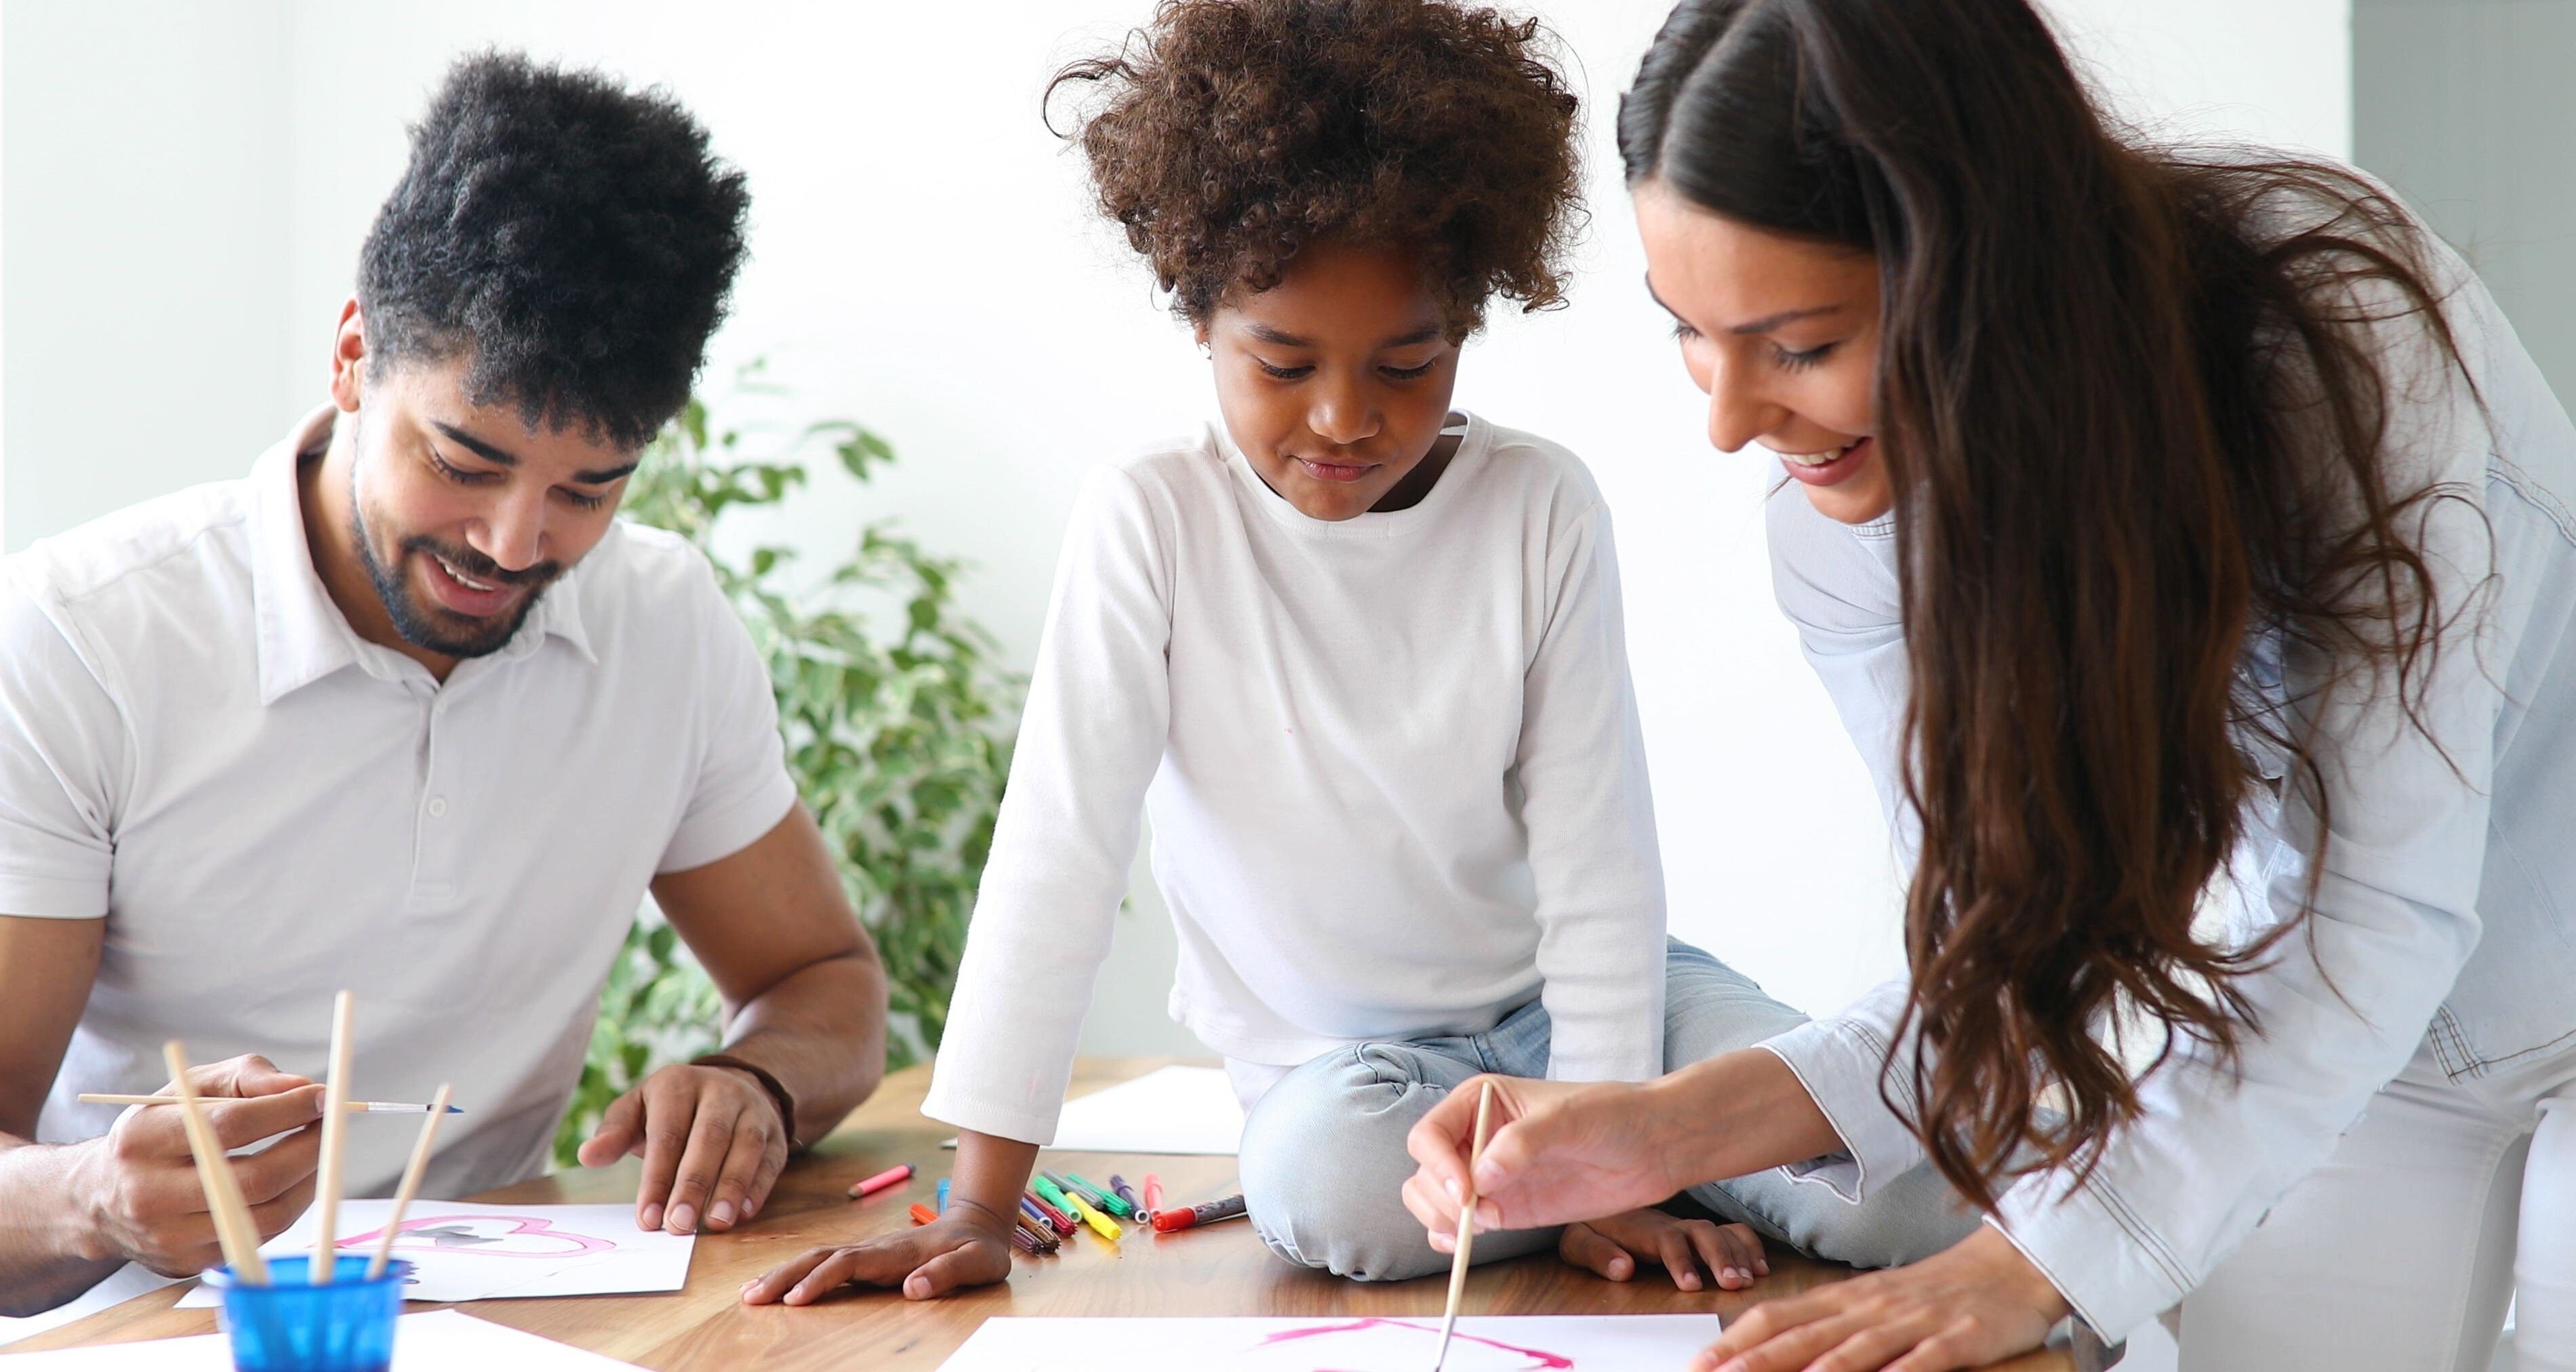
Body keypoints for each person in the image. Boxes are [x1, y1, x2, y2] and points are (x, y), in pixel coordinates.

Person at [742, 0, 1979, 1312]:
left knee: (1924, 1186)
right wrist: (982, 1207)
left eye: (1410, 361)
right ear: (1199, 319)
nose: (1345, 418)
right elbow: (1056, 861)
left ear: (1470, 322)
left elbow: (1598, 863)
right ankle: (1587, 1176)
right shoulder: (1151, 519)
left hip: (1598, 1017)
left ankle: (1589, 1173)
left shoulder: (1537, 506)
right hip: (1354, 1079)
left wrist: (1617, 1153)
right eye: (1281, 363)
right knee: (1329, 1189)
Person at [1400, 1, 2576, 1369]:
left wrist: (2027, 1263)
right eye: (1689, 332)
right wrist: (1661, 1127)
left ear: (1980, 272)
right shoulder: (1844, 532)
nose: (1728, 420)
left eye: (1797, 343)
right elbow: (2001, 964)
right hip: (2338, 1048)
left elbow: (2376, 904)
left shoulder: (2332, 321)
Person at [0, 52, 888, 1322]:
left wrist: (760, 1084)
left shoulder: (663, 624)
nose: (515, 544)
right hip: (154, 1330)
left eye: (591, 489)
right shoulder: (81, 639)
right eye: (464, 459)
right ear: (355, 354)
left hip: (521, 1323)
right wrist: (92, 1195)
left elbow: (826, 981)